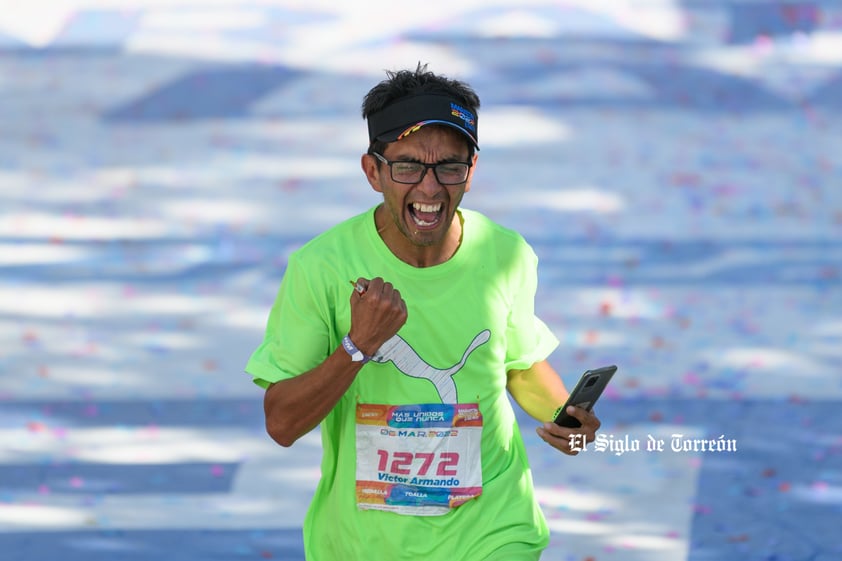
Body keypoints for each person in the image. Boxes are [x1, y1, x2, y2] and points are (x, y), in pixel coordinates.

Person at [245, 63, 602, 561]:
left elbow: (518, 365)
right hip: (363, 544)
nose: (430, 189)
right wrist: (357, 346)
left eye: (449, 167)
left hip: (493, 529)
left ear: (471, 172)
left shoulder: (506, 254)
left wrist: (566, 417)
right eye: (408, 167)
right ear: (373, 172)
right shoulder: (321, 268)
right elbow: (282, 423)